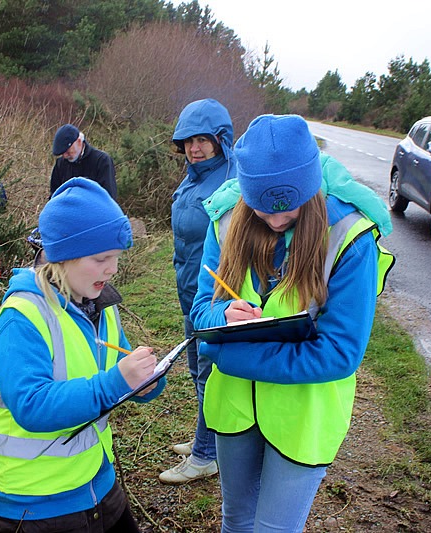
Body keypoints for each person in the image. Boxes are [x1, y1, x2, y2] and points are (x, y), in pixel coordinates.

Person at [190, 114, 394, 531]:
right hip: (234, 411)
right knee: (236, 522)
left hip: (303, 419)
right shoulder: (226, 220)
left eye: (290, 208)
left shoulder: (351, 237)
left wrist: (231, 358)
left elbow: (340, 353)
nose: (277, 220)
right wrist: (221, 315)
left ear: (311, 185)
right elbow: (200, 313)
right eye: (263, 208)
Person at [0, 177, 164, 532]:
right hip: (33, 508)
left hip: (97, 484)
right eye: (102, 258)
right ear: (64, 256)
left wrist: (144, 381)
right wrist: (115, 382)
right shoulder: (20, 319)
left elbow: (113, 374)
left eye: (117, 258)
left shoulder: (99, 305)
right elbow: (32, 406)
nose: (113, 269)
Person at [159, 98, 235, 484]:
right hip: (188, 289)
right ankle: (205, 438)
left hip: (215, 297)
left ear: (221, 139)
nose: (194, 148)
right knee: (196, 369)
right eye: (188, 141)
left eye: (203, 139)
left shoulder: (229, 180)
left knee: (209, 373)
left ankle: (207, 455)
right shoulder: (194, 177)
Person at [51, 124, 117, 200]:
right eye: (62, 153)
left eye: (68, 151)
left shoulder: (102, 161)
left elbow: (109, 198)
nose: (65, 156)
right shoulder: (60, 164)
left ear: (79, 142)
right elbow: (54, 197)